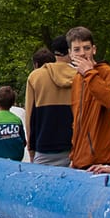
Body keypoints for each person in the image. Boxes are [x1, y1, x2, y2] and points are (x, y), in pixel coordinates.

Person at [67, 26, 110, 169]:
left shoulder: (105, 72)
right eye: (77, 49)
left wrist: (89, 73)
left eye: (86, 48)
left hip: (102, 159)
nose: (82, 53)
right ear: (70, 53)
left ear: (94, 49)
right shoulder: (77, 79)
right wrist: (74, 155)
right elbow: (77, 119)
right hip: (80, 158)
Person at [24, 35, 76, 166]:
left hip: (44, 146)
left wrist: (31, 149)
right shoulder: (81, 76)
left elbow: (29, 116)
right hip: (74, 147)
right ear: (70, 51)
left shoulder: (35, 77)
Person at [0, 86, 26, 160]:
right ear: (13, 103)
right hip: (18, 159)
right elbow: (24, 142)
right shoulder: (17, 120)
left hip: (0, 160)